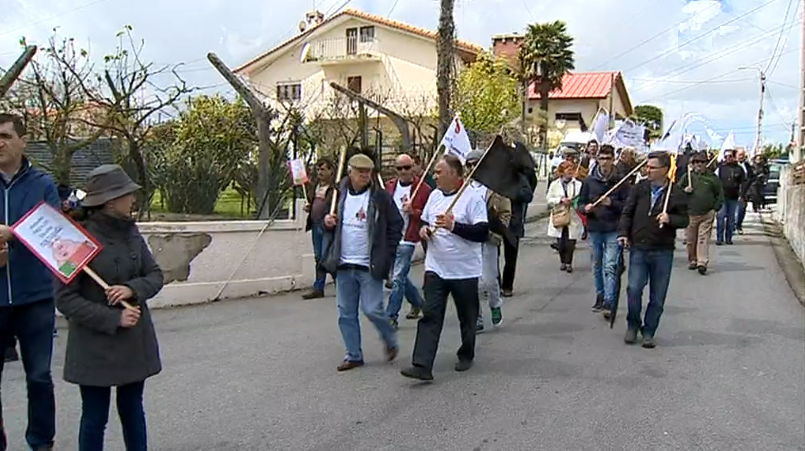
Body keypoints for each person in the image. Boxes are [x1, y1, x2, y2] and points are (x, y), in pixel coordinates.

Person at [55, 164, 163, 451]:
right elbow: (65, 299)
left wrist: (132, 289)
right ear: (111, 201)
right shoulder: (76, 240)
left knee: (132, 410)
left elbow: (155, 275)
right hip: (94, 344)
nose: (133, 199)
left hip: (133, 342)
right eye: (128, 194)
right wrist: (113, 318)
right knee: (94, 417)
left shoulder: (131, 232)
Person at [0, 113, 60, 451]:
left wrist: (13, 235)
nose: (0, 142)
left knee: (38, 376)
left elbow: (54, 231)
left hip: (35, 296)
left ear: (23, 141)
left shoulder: (42, 183)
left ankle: (41, 442)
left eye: (6, 135)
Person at [400, 155, 488, 381]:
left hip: (464, 270)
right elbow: (425, 222)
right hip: (436, 268)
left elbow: (482, 233)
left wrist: (454, 226)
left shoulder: (472, 198)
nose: (435, 176)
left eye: (439, 172)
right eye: (436, 172)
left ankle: (466, 352)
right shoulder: (434, 196)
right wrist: (424, 231)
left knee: (467, 316)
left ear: (454, 174)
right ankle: (422, 364)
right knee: (430, 314)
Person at [321, 153, 402, 371]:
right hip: (344, 263)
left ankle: (390, 339)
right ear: (350, 172)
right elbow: (324, 222)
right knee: (346, 313)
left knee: (372, 309)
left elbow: (396, 224)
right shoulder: (338, 195)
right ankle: (353, 354)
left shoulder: (381, 197)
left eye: (368, 172)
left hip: (369, 264)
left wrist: (388, 253)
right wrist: (327, 222)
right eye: (360, 172)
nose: (365, 175)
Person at [617, 151, 689, 348]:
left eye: (652, 167)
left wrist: (670, 219)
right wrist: (623, 233)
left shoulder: (676, 193)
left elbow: (684, 219)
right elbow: (627, 212)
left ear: (665, 170)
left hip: (662, 250)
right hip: (639, 247)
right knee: (633, 289)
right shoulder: (639, 188)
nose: (647, 170)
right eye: (646, 167)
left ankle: (649, 331)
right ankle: (633, 324)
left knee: (657, 296)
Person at [578, 145, 629, 316]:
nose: (605, 162)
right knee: (597, 264)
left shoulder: (622, 181)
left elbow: (628, 207)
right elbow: (580, 203)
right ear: (597, 159)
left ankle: (609, 300)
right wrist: (586, 208)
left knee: (610, 265)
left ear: (613, 159)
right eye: (602, 158)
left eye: (608, 158)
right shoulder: (589, 181)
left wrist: (612, 203)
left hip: (613, 228)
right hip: (595, 228)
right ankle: (600, 295)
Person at [465, 150, 511, 332]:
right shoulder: (463, 188)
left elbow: (506, 211)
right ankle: (476, 317)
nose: (472, 167)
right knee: (472, 282)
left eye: (476, 163)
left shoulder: (495, 187)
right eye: (469, 164)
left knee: (490, 281)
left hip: (488, 237)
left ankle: (495, 303)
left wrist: (499, 230)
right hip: (468, 239)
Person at [385, 154, 430, 328]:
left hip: (408, 238)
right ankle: (419, 302)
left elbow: (429, 215)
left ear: (413, 167)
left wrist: (414, 211)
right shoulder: (389, 187)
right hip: (391, 237)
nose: (403, 171)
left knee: (396, 278)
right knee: (400, 275)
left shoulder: (423, 189)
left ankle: (391, 316)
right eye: (400, 168)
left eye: (407, 167)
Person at [678, 152, 723, 275]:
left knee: (703, 238)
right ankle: (693, 259)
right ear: (692, 164)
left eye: (701, 162)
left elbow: (719, 194)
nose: (698, 164)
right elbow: (676, 191)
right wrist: (684, 190)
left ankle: (702, 262)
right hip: (690, 213)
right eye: (696, 162)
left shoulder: (712, 178)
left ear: (706, 164)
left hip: (707, 213)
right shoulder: (687, 177)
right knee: (691, 239)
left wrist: (715, 208)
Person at [301, 158, 336, 300]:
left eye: (323, 169)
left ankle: (340, 283)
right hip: (315, 225)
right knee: (318, 257)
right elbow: (313, 202)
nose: (320, 172)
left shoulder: (335, 189)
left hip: (326, 226)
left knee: (326, 257)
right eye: (318, 169)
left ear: (331, 171)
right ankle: (319, 287)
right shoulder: (316, 186)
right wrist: (309, 207)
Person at [546, 161, 583, 273]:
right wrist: (560, 200)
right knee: (561, 243)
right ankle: (563, 260)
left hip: (573, 216)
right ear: (562, 172)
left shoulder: (578, 184)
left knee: (571, 242)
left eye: (572, 169)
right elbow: (549, 199)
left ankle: (568, 263)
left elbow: (581, 197)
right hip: (560, 215)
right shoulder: (555, 184)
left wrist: (574, 201)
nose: (570, 171)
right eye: (568, 169)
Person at [715, 149, 746, 245]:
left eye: (730, 156)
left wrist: (742, 195)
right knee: (720, 217)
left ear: (734, 157)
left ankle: (728, 238)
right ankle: (719, 238)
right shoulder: (720, 168)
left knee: (731, 219)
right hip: (722, 197)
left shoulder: (739, 169)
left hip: (733, 197)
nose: (727, 158)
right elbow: (715, 181)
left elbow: (743, 183)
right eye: (725, 156)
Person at [734, 149, 755, 234]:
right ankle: (732, 226)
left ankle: (738, 225)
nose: (741, 156)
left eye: (743, 155)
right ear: (736, 156)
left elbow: (752, 177)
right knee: (732, 210)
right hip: (733, 191)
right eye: (740, 154)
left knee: (741, 209)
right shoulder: (732, 166)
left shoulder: (747, 166)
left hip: (744, 191)